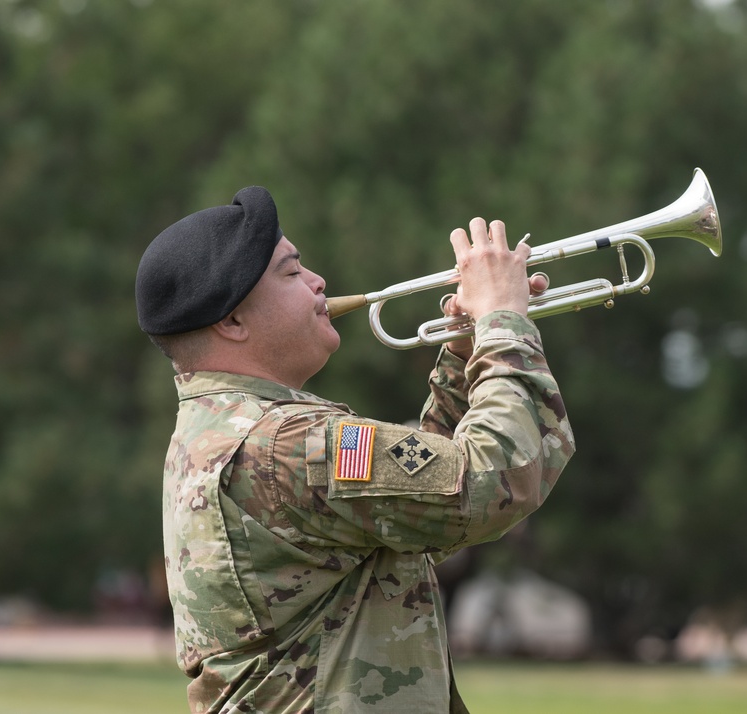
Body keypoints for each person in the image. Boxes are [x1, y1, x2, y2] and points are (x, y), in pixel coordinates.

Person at [135, 186, 575, 713]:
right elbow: (495, 480)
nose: (319, 282)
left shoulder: (221, 431)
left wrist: (463, 354)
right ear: (232, 321)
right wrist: (504, 323)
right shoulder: (288, 445)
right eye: (292, 273)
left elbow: (422, 510)